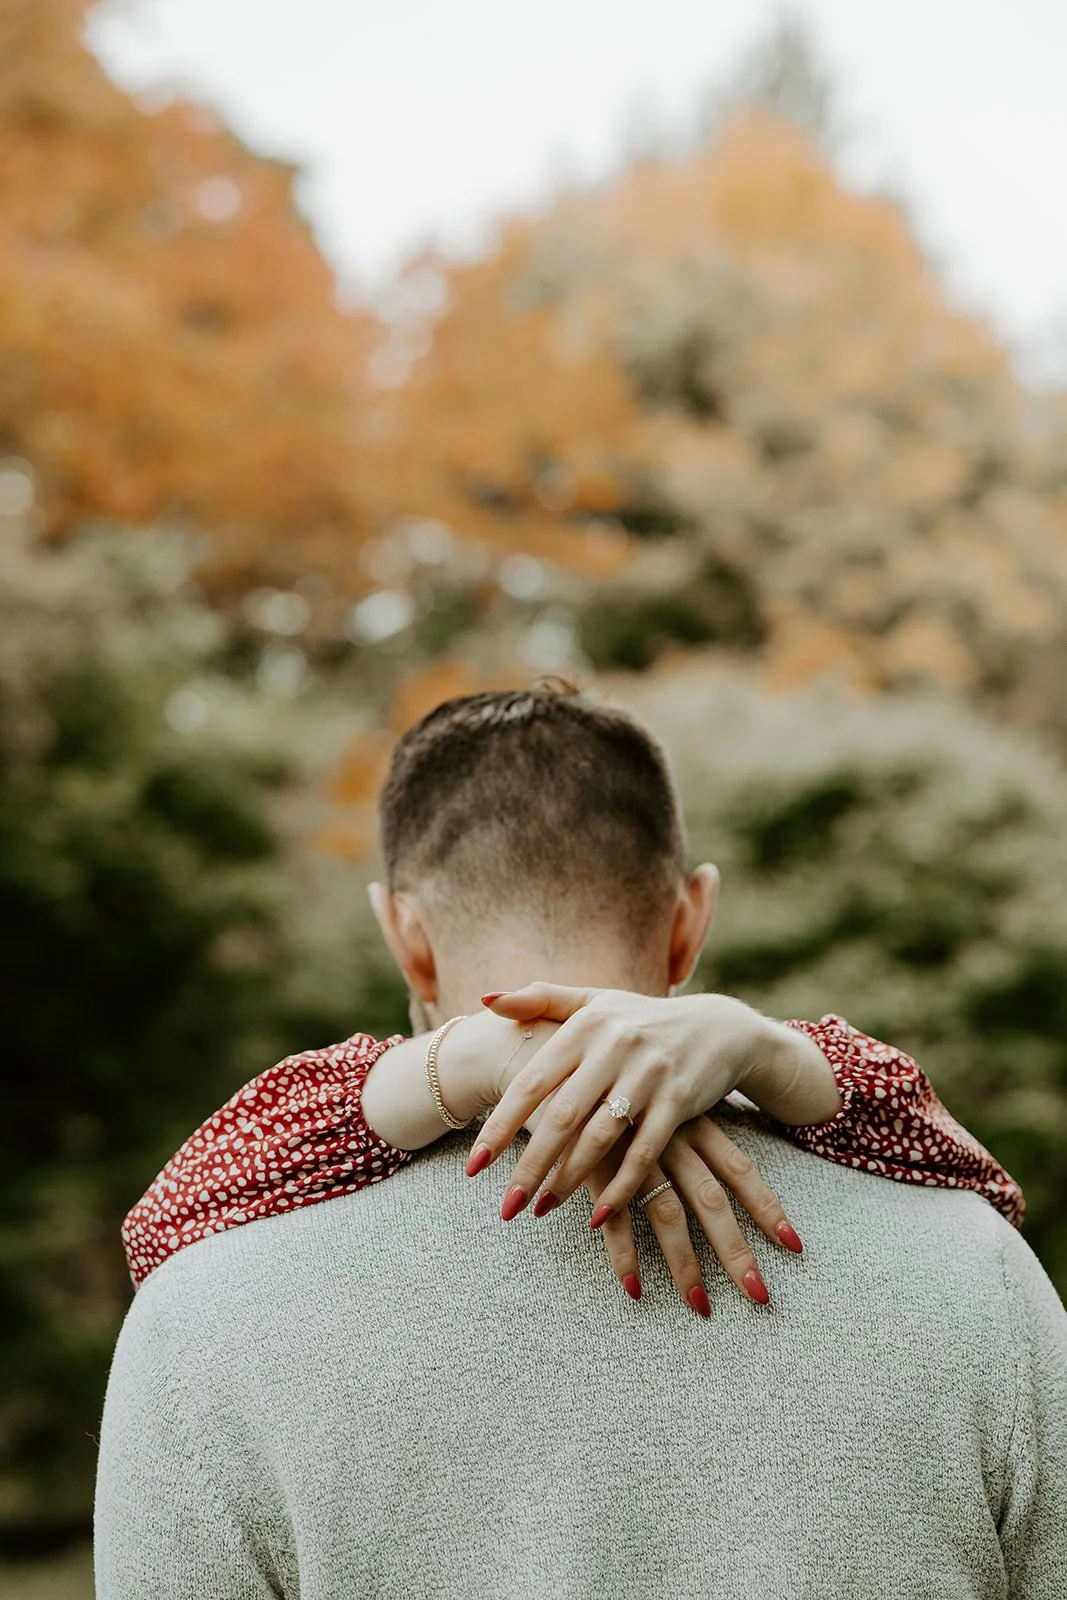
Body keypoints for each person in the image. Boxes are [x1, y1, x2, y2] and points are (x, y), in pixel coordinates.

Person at [95, 684, 1067, 1599]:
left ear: (405, 935)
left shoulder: (208, 1306)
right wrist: (773, 1052)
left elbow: (164, 1220)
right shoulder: (970, 1262)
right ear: (689, 918)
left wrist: (452, 1069)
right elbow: (978, 1177)